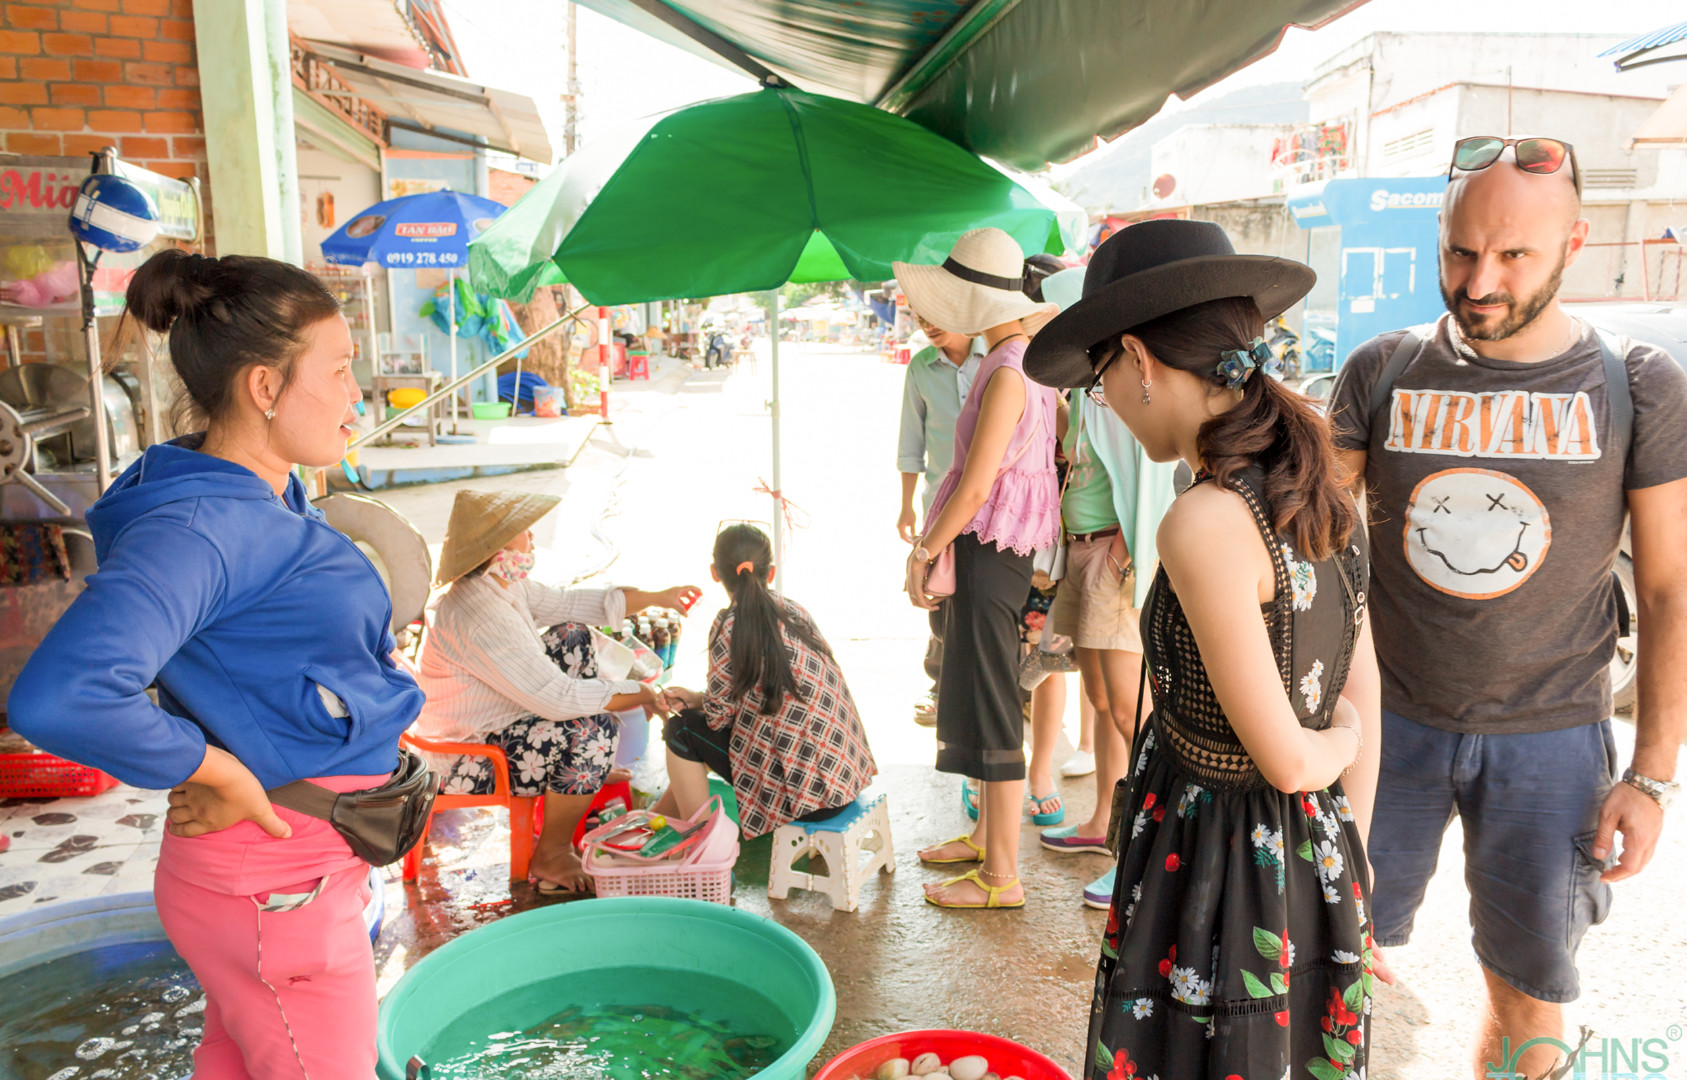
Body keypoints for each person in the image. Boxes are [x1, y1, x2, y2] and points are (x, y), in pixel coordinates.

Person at [7, 250, 419, 1077]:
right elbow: (62, 695)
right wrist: (212, 766)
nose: (354, 397)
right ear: (264, 388)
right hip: (277, 881)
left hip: (286, 873)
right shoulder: (202, 525)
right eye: (338, 372)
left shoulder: (254, 489)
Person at [1327, 137, 1687, 1079]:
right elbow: (1308, 551)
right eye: (1459, 252)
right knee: (1328, 956)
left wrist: (1649, 776)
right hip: (1383, 725)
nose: (1478, 281)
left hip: (1552, 738)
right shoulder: (1379, 370)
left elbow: (1666, 588)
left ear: (1574, 241)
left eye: (1512, 256)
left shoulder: (1636, 386)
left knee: (1529, 990)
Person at [1025, 219, 1386, 1076]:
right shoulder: (1318, 479)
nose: (1099, 399)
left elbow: (1299, 756)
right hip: (1311, 851)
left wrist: (1335, 749)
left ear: (1139, 362)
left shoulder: (1202, 518)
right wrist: (1341, 857)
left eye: (1098, 376)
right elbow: (1362, 683)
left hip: (1220, 860)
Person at [414, 488, 700, 894]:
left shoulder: (501, 586)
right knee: (594, 731)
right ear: (496, 548)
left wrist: (659, 597)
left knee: (574, 637)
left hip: (495, 718)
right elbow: (558, 698)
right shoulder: (479, 613)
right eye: (524, 533)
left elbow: (572, 604)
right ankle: (551, 852)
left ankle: (579, 778)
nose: (532, 540)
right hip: (463, 758)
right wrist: (640, 692)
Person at [899, 227, 1060, 909]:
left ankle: (1001, 875)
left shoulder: (1007, 369)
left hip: (990, 550)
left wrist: (923, 549)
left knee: (994, 703)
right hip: (996, 549)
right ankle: (983, 842)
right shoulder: (1021, 362)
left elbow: (972, 485)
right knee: (976, 691)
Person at [1032, 267, 1179, 909]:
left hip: (1111, 561)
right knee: (1100, 700)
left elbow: (1150, 471)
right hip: (1083, 553)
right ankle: (1103, 827)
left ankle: (1139, 860)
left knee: (1130, 712)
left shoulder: (1119, 389)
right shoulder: (1085, 393)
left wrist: (1124, 551)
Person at [655, 524, 876, 838]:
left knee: (681, 730)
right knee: (695, 731)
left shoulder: (727, 624)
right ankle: (655, 821)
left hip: (798, 797)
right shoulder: (794, 610)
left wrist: (699, 704)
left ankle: (700, 845)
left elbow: (718, 718)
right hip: (843, 780)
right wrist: (697, 697)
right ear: (770, 572)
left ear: (715, 573)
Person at [897, 311, 983, 726]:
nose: (927, 324)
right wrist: (906, 505)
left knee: (989, 604)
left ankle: (1004, 689)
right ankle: (942, 685)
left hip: (998, 510)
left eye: (935, 314)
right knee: (940, 601)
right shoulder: (920, 368)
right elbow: (911, 443)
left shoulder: (1000, 357)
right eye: (919, 316)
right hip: (941, 508)